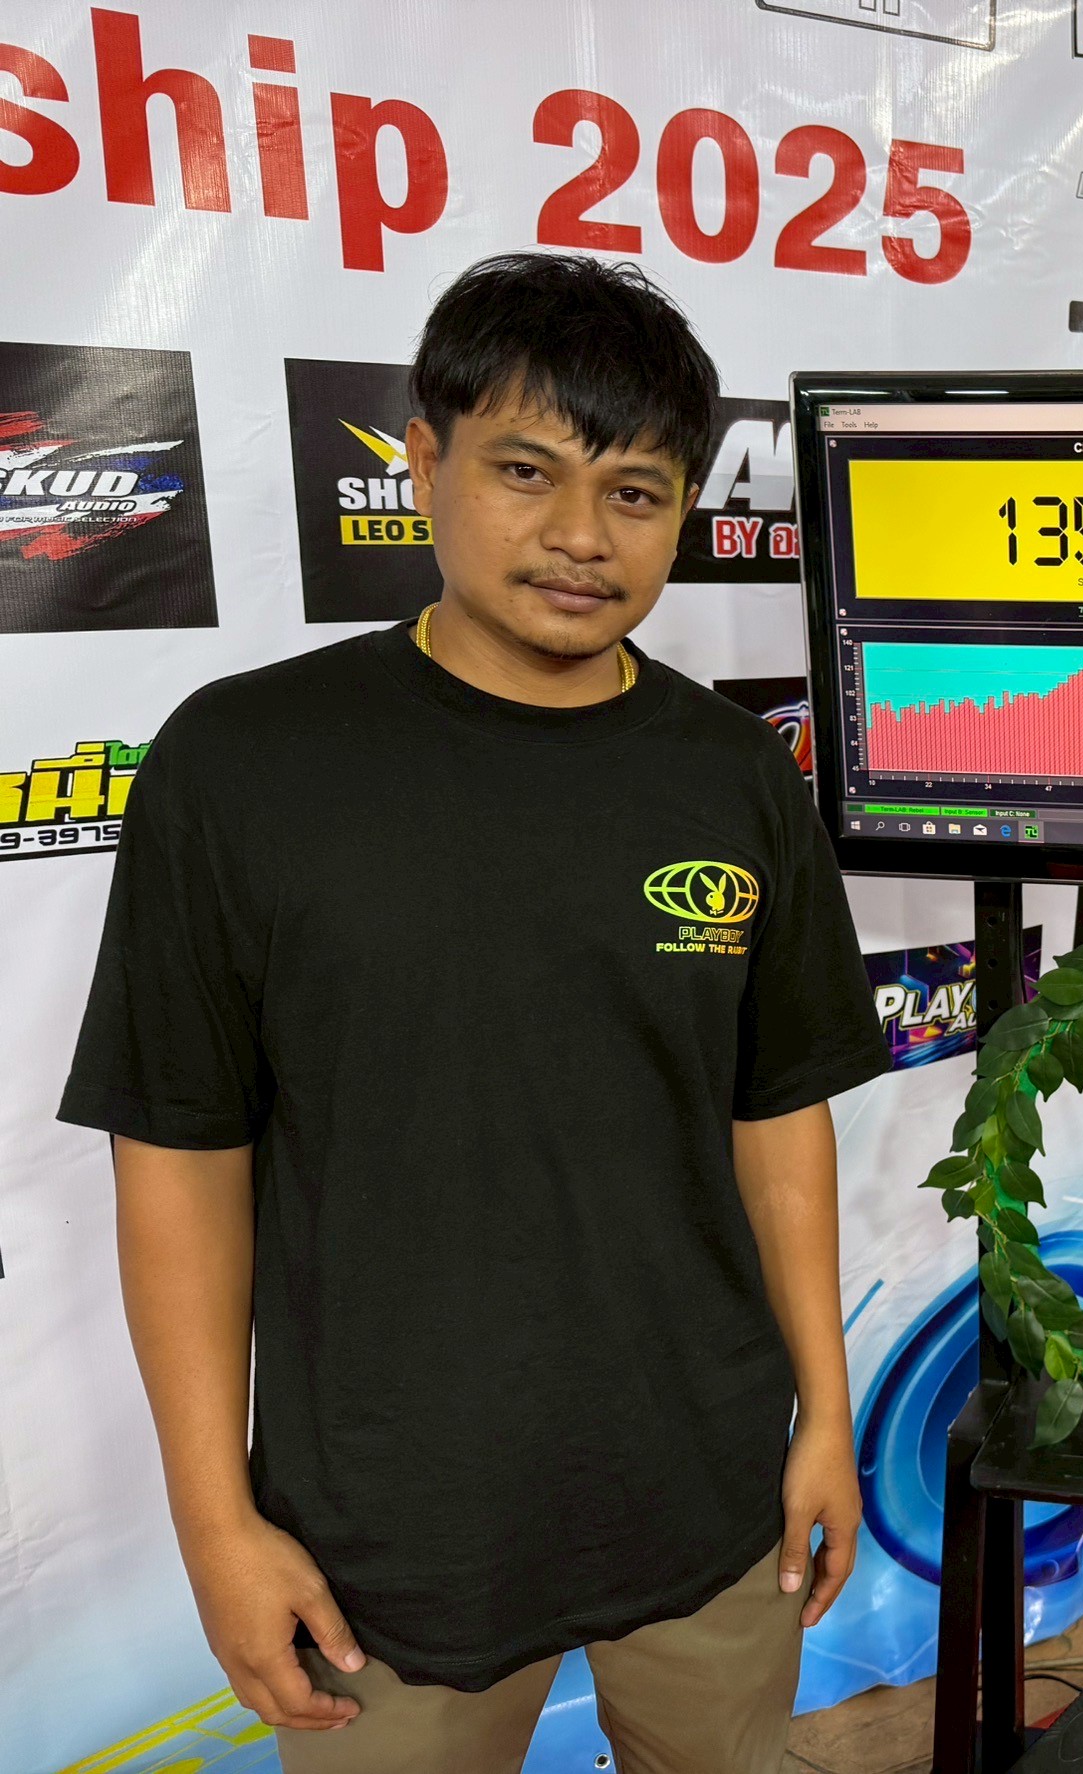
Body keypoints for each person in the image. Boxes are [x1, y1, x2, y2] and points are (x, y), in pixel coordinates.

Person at [60, 252, 890, 1772]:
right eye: (526, 471)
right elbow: (178, 1157)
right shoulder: (244, 764)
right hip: (384, 1543)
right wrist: (215, 1521)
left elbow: (778, 1115)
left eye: (635, 493)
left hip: (708, 1497)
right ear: (423, 462)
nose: (581, 536)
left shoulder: (734, 777)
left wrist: (824, 1414)